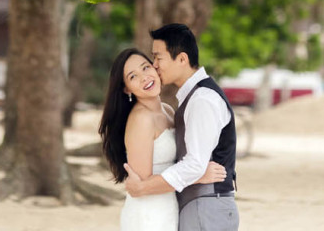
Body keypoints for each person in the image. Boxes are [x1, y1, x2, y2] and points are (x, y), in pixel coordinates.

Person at [123, 23, 239, 231]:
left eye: (158, 58)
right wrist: (199, 174)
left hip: (206, 206)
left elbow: (194, 164)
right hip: (193, 206)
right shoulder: (188, 100)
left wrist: (141, 187)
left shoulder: (201, 99)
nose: (155, 65)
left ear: (182, 59)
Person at [99, 46, 226, 231]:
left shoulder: (167, 110)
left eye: (145, 68)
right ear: (127, 89)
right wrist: (197, 176)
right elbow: (142, 184)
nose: (144, 77)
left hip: (169, 207)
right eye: (133, 76)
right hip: (148, 214)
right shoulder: (141, 119)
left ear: (154, 67)